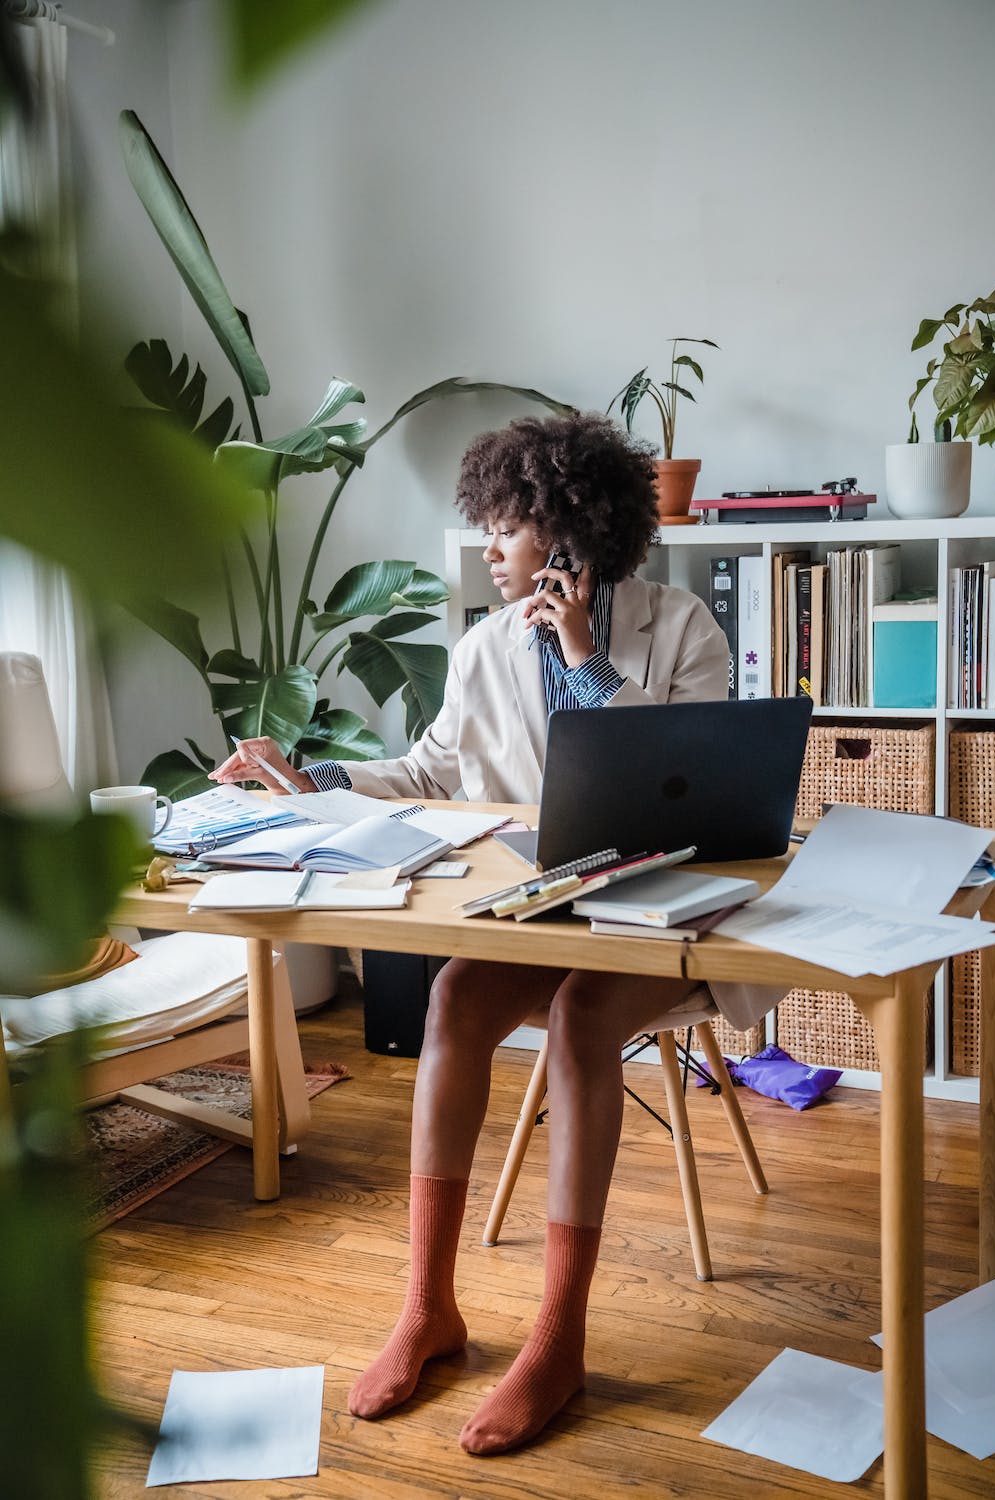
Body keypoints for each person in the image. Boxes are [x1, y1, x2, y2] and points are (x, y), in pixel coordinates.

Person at [211, 411, 732, 1455]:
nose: (489, 551)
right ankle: (427, 1309)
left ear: (566, 534)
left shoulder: (682, 630)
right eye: (487, 530)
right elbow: (427, 771)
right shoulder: (485, 647)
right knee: (452, 994)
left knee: (585, 1017)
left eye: (505, 529)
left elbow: (684, 791)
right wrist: (310, 776)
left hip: (662, 911)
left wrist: (583, 654)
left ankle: (558, 1338)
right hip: (540, 908)